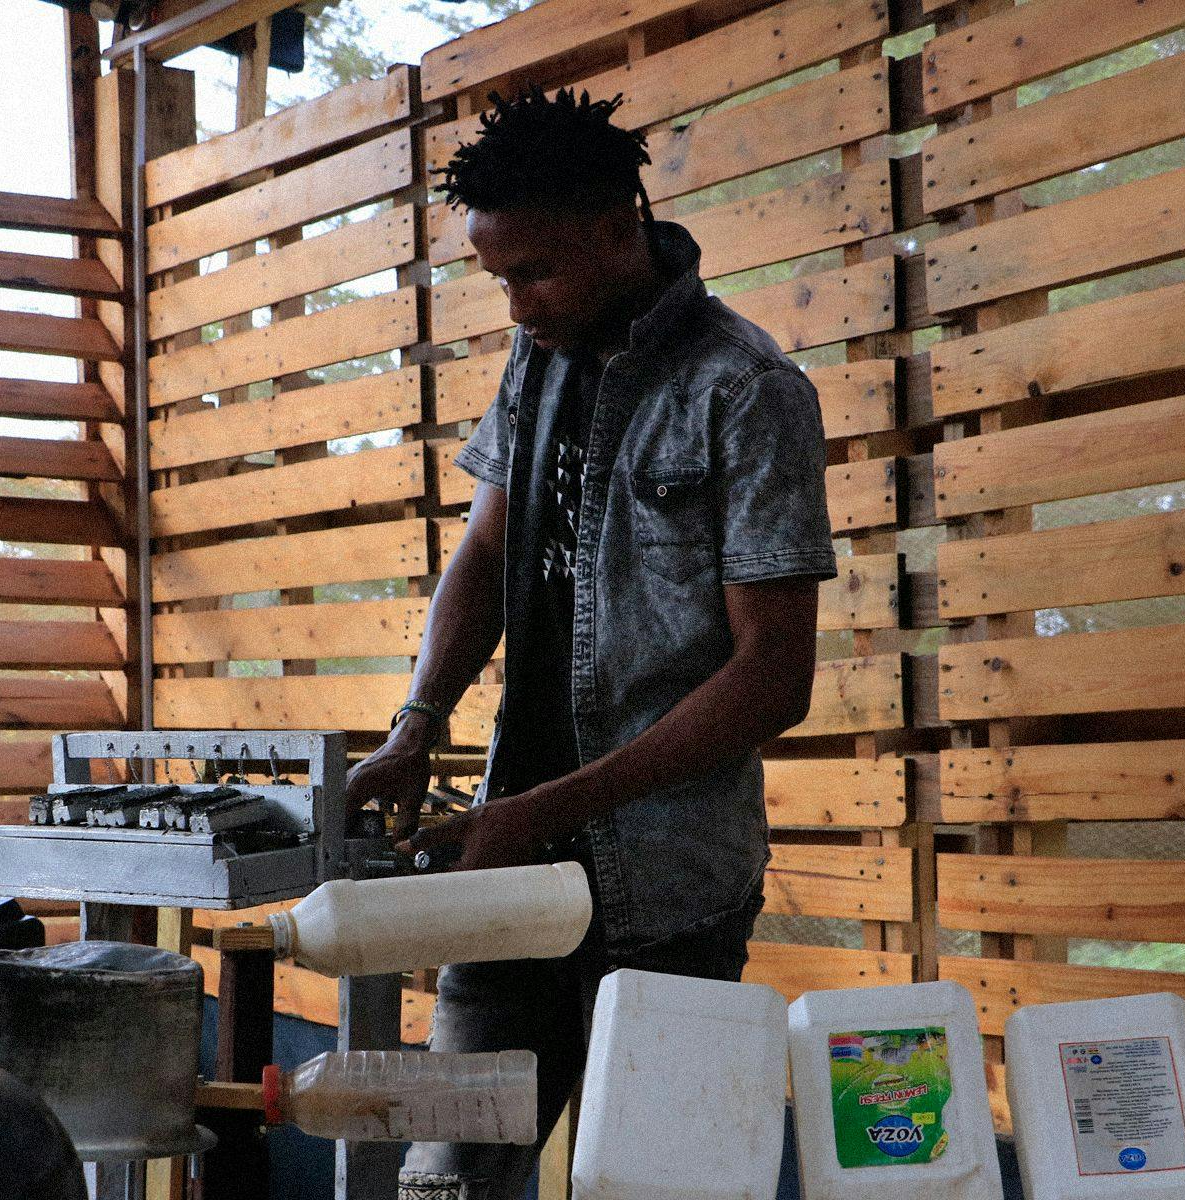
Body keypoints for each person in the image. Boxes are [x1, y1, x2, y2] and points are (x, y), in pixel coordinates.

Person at [344, 87, 837, 1200]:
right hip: (510, 848)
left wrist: (551, 810)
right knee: (447, 1178)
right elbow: (482, 556)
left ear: (622, 228)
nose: (516, 307)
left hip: (667, 882)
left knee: (664, 1185)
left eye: (538, 273)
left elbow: (773, 678)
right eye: (499, 278)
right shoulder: (540, 359)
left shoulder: (747, 390)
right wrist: (419, 721)